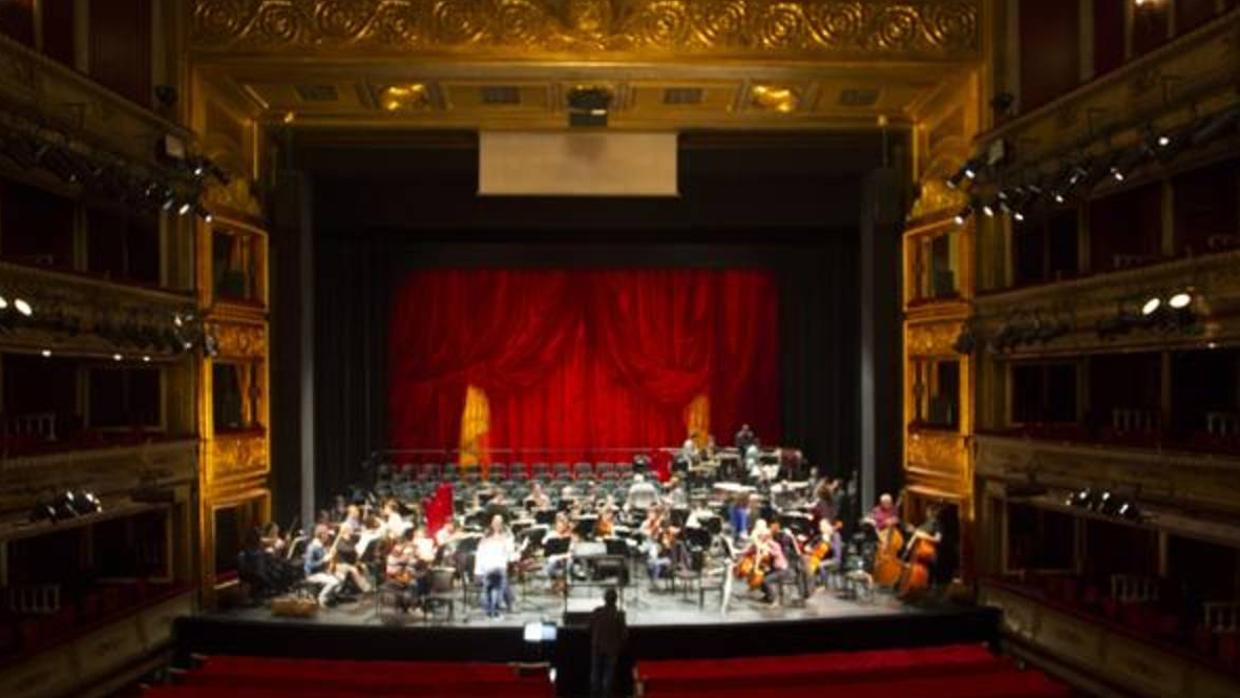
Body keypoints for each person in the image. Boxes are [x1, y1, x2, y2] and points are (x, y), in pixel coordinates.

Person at [474, 514, 515, 618]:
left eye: (499, 523)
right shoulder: (503, 538)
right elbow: (510, 556)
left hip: (491, 568)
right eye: (496, 522)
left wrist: (478, 572)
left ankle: (492, 608)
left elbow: (479, 555)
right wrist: (478, 572)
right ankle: (498, 608)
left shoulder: (489, 538)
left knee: (497, 584)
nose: (497, 525)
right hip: (494, 568)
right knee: (501, 582)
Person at [588, 588, 627, 698]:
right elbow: (624, 635)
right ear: (616, 600)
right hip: (612, 648)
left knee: (595, 672)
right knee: (608, 674)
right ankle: (606, 695)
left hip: (597, 647)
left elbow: (588, 628)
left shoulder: (597, 612)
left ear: (604, 599)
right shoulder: (619, 615)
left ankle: (594, 694)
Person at [304, 524, 343, 606]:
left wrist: (331, 554)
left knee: (341, 578)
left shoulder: (321, 546)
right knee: (334, 582)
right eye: (326, 533)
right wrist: (323, 560)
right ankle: (322, 598)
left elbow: (326, 561)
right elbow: (309, 565)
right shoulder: (312, 547)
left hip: (321, 572)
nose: (328, 535)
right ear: (321, 534)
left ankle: (329, 596)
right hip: (312, 575)